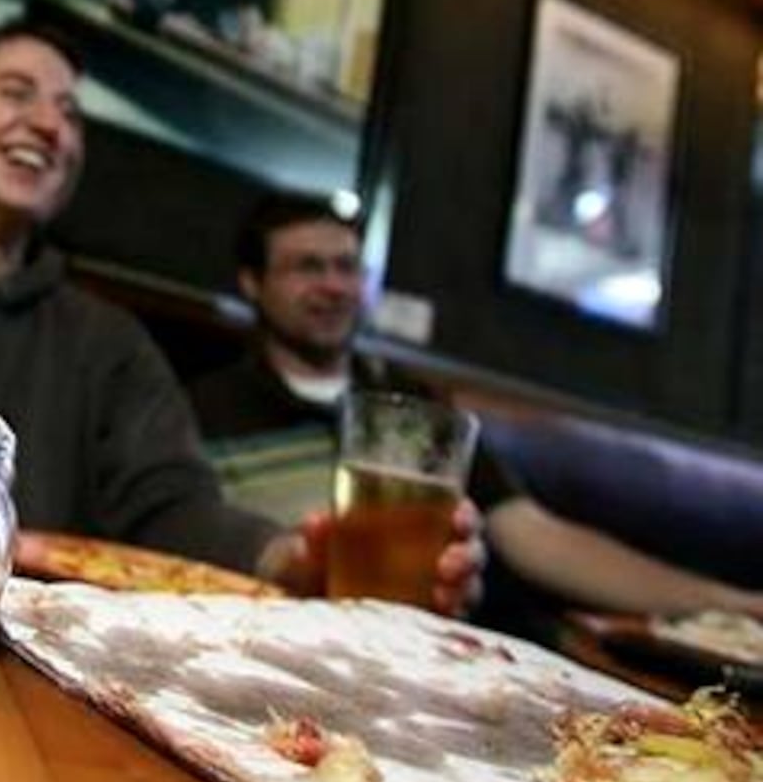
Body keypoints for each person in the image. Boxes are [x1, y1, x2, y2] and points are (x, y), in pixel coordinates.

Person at [0, 19, 481, 611]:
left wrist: (297, 558)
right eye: (17, 92)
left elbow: (173, 510)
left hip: (58, 675)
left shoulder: (107, 342)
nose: (52, 126)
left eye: (68, 111)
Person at [188, 191, 763, 625]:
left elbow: (533, 533)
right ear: (252, 283)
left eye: (347, 267)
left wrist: (727, 604)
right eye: (307, 267)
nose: (335, 285)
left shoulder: (414, 406)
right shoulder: (206, 407)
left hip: (423, 654)